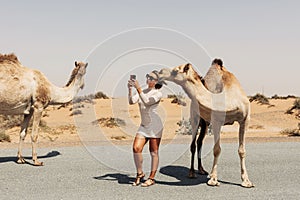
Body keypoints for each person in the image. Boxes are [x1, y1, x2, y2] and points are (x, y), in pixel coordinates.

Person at [128, 70, 164, 187]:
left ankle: (152, 178)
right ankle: (140, 173)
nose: (149, 79)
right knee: (136, 148)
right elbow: (131, 101)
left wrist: (138, 88)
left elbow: (147, 102)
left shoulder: (158, 93)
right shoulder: (142, 91)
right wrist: (130, 89)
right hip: (144, 126)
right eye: (148, 77)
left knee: (153, 152)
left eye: (152, 78)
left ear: (157, 81)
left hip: (155, 126)